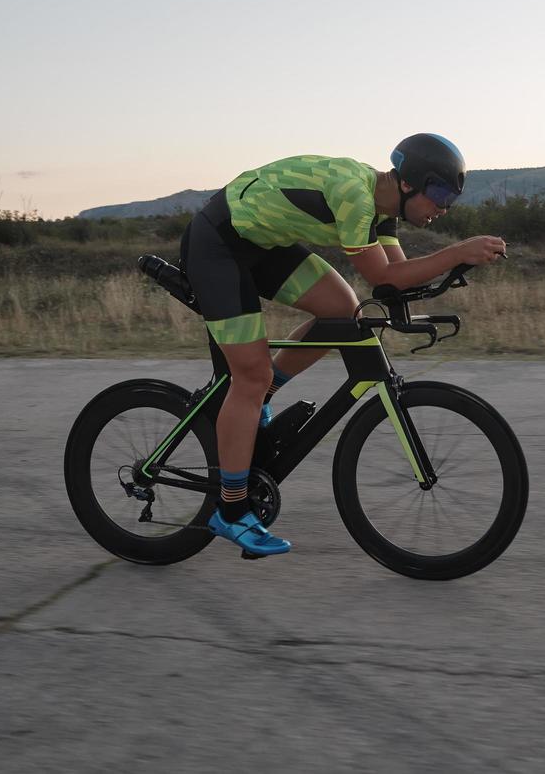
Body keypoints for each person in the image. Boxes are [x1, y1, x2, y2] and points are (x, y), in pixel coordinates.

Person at [178, 134, 507, 557]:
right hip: (219, 244)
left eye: (451, 200)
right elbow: (385, 279)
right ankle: (231, 509)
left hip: (260, 245)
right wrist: (458, 250)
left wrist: (457, 262)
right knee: (249, 375)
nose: (443, 209)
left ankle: (266, 395)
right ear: (408, 183)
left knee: (343, 312)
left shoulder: (382, 211)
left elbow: (398, 275)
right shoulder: (356, 196)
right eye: (440, 194)